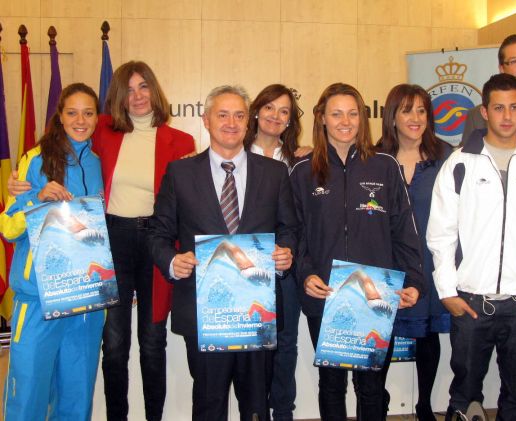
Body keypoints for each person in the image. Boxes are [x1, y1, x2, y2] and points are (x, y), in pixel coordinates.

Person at [7, 61, 196, 421]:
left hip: (156, 242)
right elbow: (55, 148)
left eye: (144, 87)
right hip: (107, 243)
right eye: (128, 88)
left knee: (152, 342)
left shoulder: (181, 142)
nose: (137, 96)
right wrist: (23, 189)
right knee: (112, 345)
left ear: (155, 91)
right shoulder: (102, 133)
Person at [147, 85, 298, 420]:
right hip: (204, 313)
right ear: (206, 120)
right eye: (223, 114)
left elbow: (289, 228)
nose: (232, 122)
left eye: (240, 115)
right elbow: (158, 233)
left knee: (256, 405)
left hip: (257, 311)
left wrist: (286, 253)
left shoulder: (274, 174)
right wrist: (171, 261)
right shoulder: (180, 173)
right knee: (209, 404)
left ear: (249, 122)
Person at [427, 73, 516, 420]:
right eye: (498, 108)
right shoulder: (459, 163)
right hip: (471, 301)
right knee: (465, 393)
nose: (506, 116)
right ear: (484, 112)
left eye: (514, 107)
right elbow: (441, 233)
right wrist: (447, 291)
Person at [290, 82, 424, 420]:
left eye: (353, 114)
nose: (345, 121)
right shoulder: (303, 172)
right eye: (336, 114)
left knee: (373, 385)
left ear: (362, 119)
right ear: (322, 118)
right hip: (326, 294)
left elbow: (404, 230)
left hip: (375, 296)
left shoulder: (384, 166)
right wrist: (305, 275)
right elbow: (294, 234)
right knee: (331, 384)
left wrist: (415, 281)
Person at [0, 83, 105, 421]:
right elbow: (7, 227)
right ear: (59, 116)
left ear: (96, 117)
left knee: (76, 399)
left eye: (88, 113)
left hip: (84, 302)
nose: (80, 120)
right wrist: (35, 199)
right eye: (72, 112)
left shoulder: (98, 163)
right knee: (28, 397)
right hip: (39, 302)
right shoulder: (35, 158)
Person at [376, 83, 451, 421]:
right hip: (385, 264)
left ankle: (423, 405)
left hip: (429, 263)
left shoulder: (446, 157)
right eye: (407, 110)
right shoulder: (372, 159)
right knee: (382, 336)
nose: (415, 118)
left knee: (427, 335)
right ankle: (378, 399)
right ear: (392, 116)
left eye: (422, 110)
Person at [244, 84, 309, 421]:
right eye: (270, 107)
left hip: (285, 266)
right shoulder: (234, 152)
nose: (276, 116)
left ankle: (283, 410)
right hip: (248, 265)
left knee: (286, 342)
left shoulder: (298, 159)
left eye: (284, 111)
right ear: (256, 111)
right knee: (254, 343)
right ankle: (255, 411)